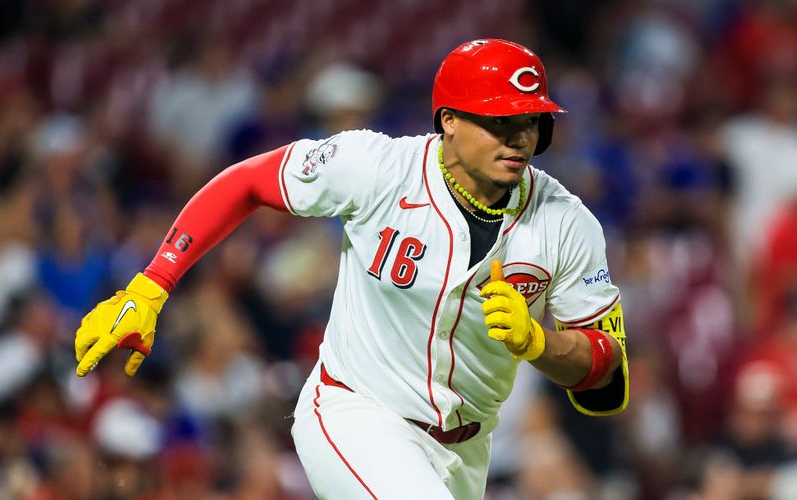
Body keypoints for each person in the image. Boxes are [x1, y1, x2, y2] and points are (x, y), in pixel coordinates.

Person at [74, 39, 629, 499]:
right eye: (501, 121)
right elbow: (247, 181)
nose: (521, 137)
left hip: (467, 449)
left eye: (531, 120)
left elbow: (605, 370)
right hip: (357, 413)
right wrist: (152, 284)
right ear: (450, 120)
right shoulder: (378, 169)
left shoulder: (565, 222)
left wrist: (538, 342)